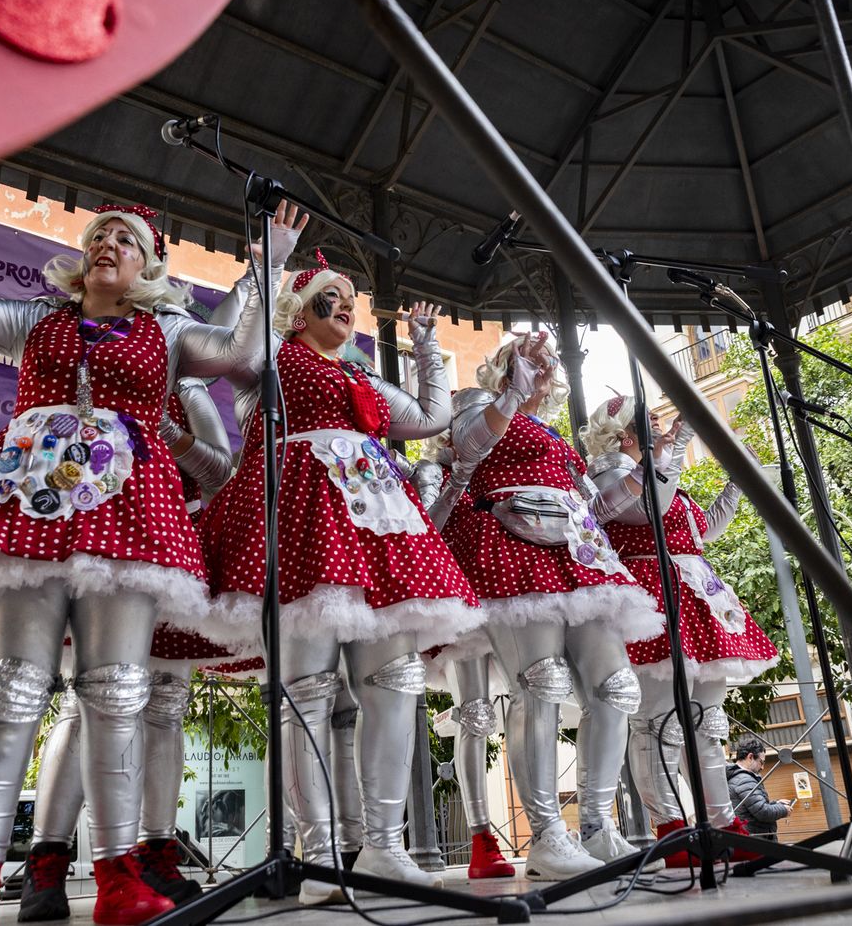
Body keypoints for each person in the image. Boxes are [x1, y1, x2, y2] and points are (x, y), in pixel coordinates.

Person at [0, 189, 303, 926]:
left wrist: (267, 270)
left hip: (130, 514)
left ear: (146, 265)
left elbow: (242, 353)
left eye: (125, 239)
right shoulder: (37, 320)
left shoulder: (167, 331)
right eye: (98, 234)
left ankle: (116, 878)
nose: (106, 244)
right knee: (7, 688)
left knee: (116, 692)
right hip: (30, 506)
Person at [199, 252, 482, 905]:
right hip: (302, 520)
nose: (348, 304)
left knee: (396, 679)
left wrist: (427, 344)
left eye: (351, 296)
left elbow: (430, 417)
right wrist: (267, 266)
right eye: (334, 295)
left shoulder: (357, 374)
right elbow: (232, 344)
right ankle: (318, 855)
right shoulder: (271, 359)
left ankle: (383, 847)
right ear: (300, 312)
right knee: (307, 692)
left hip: (376, 522)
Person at [442, 335, 663, 878]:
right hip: (511, 541)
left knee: (617, 687)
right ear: (503, 365)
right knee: (539, 680)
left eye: (545, 362)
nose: (541, 367)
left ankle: (596, 825)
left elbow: (599, 504)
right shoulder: (480, 402)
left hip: (578, 548)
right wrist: (512, 391)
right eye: (527, 358)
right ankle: (545, 834)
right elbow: (468, 450)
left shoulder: (556, 434)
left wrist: (658, 464)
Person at [19, 374, 237, 920]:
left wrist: (169, 416)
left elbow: (219, 471)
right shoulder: (82, 351)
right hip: (94, 532)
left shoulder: (185, 386)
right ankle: (47, 861)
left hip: (167, 540)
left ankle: (156, 852)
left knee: (166, 705)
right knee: (82, 702)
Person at [582, 397, 779, 869]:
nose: (661, 427)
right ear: (625, 435)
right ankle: (672, 830)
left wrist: (739, 482)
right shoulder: (608, 473)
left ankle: (726, 825)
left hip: (696, 595)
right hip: (653, 599)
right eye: (649, 422)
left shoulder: (659, 468)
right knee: (657, 721)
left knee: (708, 722)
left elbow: (702, 530)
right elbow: (650, 508)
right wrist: (681, 440)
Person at [415, 432, 515, 880]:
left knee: (536, 693)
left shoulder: (506, 468)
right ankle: (481, 837)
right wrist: (458, 477)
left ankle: (556, 826)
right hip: (460, 600)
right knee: (475, 714)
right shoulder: (433, 472)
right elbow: (428, 526)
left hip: (511, 592)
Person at [727, 739, 793, 839]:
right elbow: (763, 812)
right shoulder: (744, 779)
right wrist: (783, 810)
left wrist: (776, 803)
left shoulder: (740, 777)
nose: (762, 767)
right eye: (761, 762)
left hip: (752, 837)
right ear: (750, 757)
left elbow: (753, 808)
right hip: (755, 841)